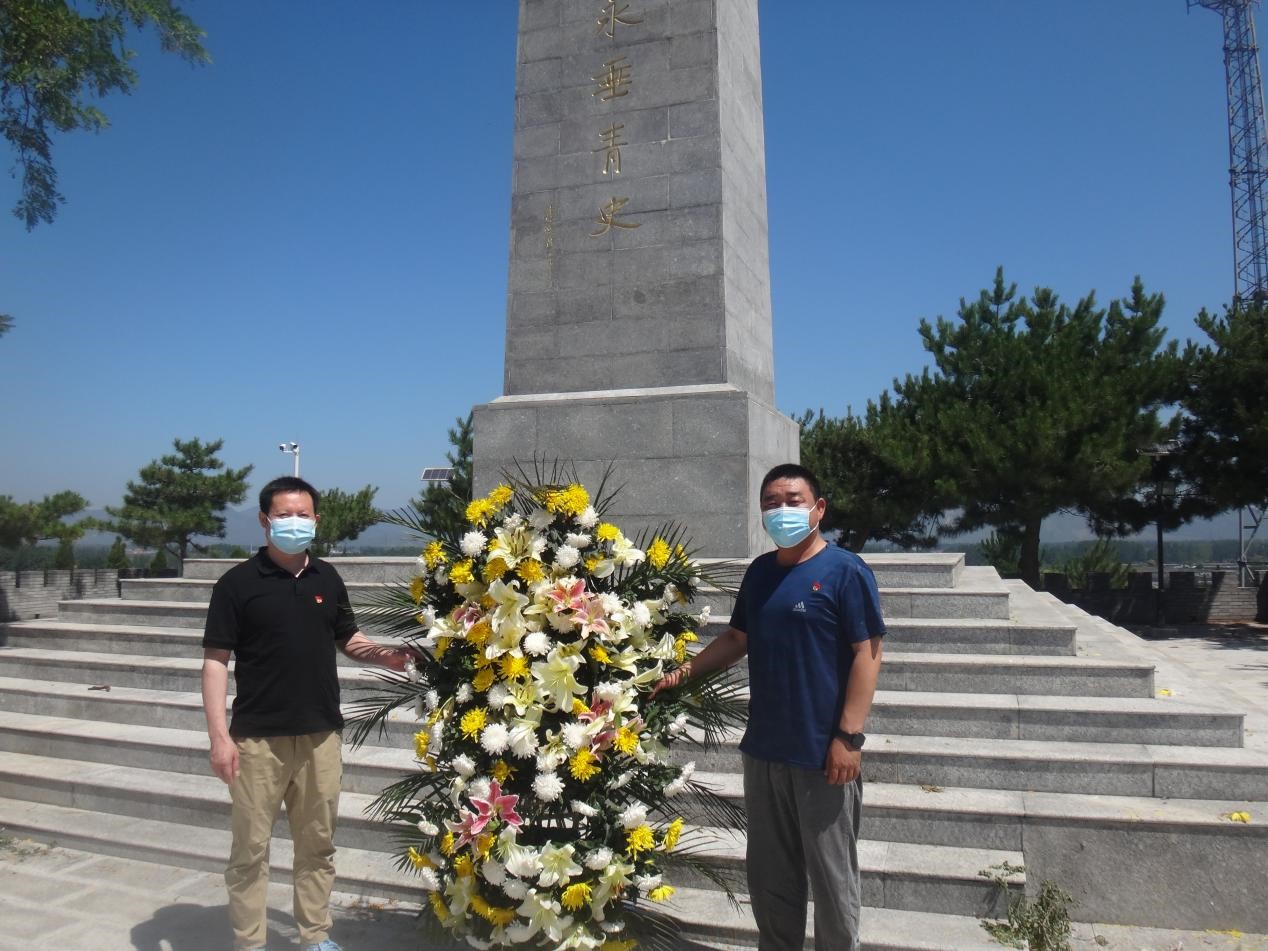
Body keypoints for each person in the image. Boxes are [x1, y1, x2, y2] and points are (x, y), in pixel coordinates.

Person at [653, 463, 885, 951]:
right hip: (764, 751)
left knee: (833, 883)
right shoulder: (760, 573)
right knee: (771, 881)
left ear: (818, 508)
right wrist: (682, 674)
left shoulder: (845, 571)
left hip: (823, 754)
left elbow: (868, 653)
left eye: (792, 500)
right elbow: (737, 638)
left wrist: (849, 736)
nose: (782, 510)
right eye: (771, 503)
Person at [201, 476, 420, 951]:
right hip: (257, 739)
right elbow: (215, 662)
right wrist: (219, 738)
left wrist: (387, 655)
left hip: (321, 734)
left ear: (316, 520)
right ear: (265, 520)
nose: (294, 523)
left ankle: (315, 936)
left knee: (317, 846)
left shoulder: (327, 578)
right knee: (250, 851)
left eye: (302, 515)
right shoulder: (236, 584)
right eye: (284, 515)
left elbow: (348, 638)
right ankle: (250, 942)